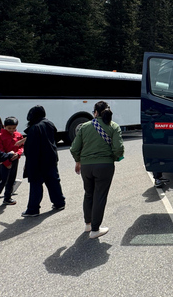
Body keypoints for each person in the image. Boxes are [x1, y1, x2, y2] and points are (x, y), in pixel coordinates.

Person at [70, 101, 124, 239]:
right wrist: (114, 157)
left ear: (95, 112)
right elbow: (118, 148)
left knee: (88, 194)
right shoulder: (114, 126)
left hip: (86, 167)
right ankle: (95, 230)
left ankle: (88, 224)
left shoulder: (84, 127)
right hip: (105, 166)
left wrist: (79, 161)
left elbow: (74, 148)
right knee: (99, 196)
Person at [21, 105, 65, 217]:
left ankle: (33, 209)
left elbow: (31, 149)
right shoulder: (49, 124)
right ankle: (59, 202)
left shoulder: (34, 127)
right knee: (53, 181)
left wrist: (28, 164)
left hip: (37, 160)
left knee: (36, 184)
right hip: (50, 157)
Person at [0, 116, 24, 205]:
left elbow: (21, 146)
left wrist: (18, 153)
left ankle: (7, 197)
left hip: (14, 160)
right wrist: (6, 162)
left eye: (13, 128)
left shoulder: (18, 135)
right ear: (4, 126)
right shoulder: (0, 136)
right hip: (4, 162)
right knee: (1, 182)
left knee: (11, 179)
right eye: (9, 128)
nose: (11, 130)